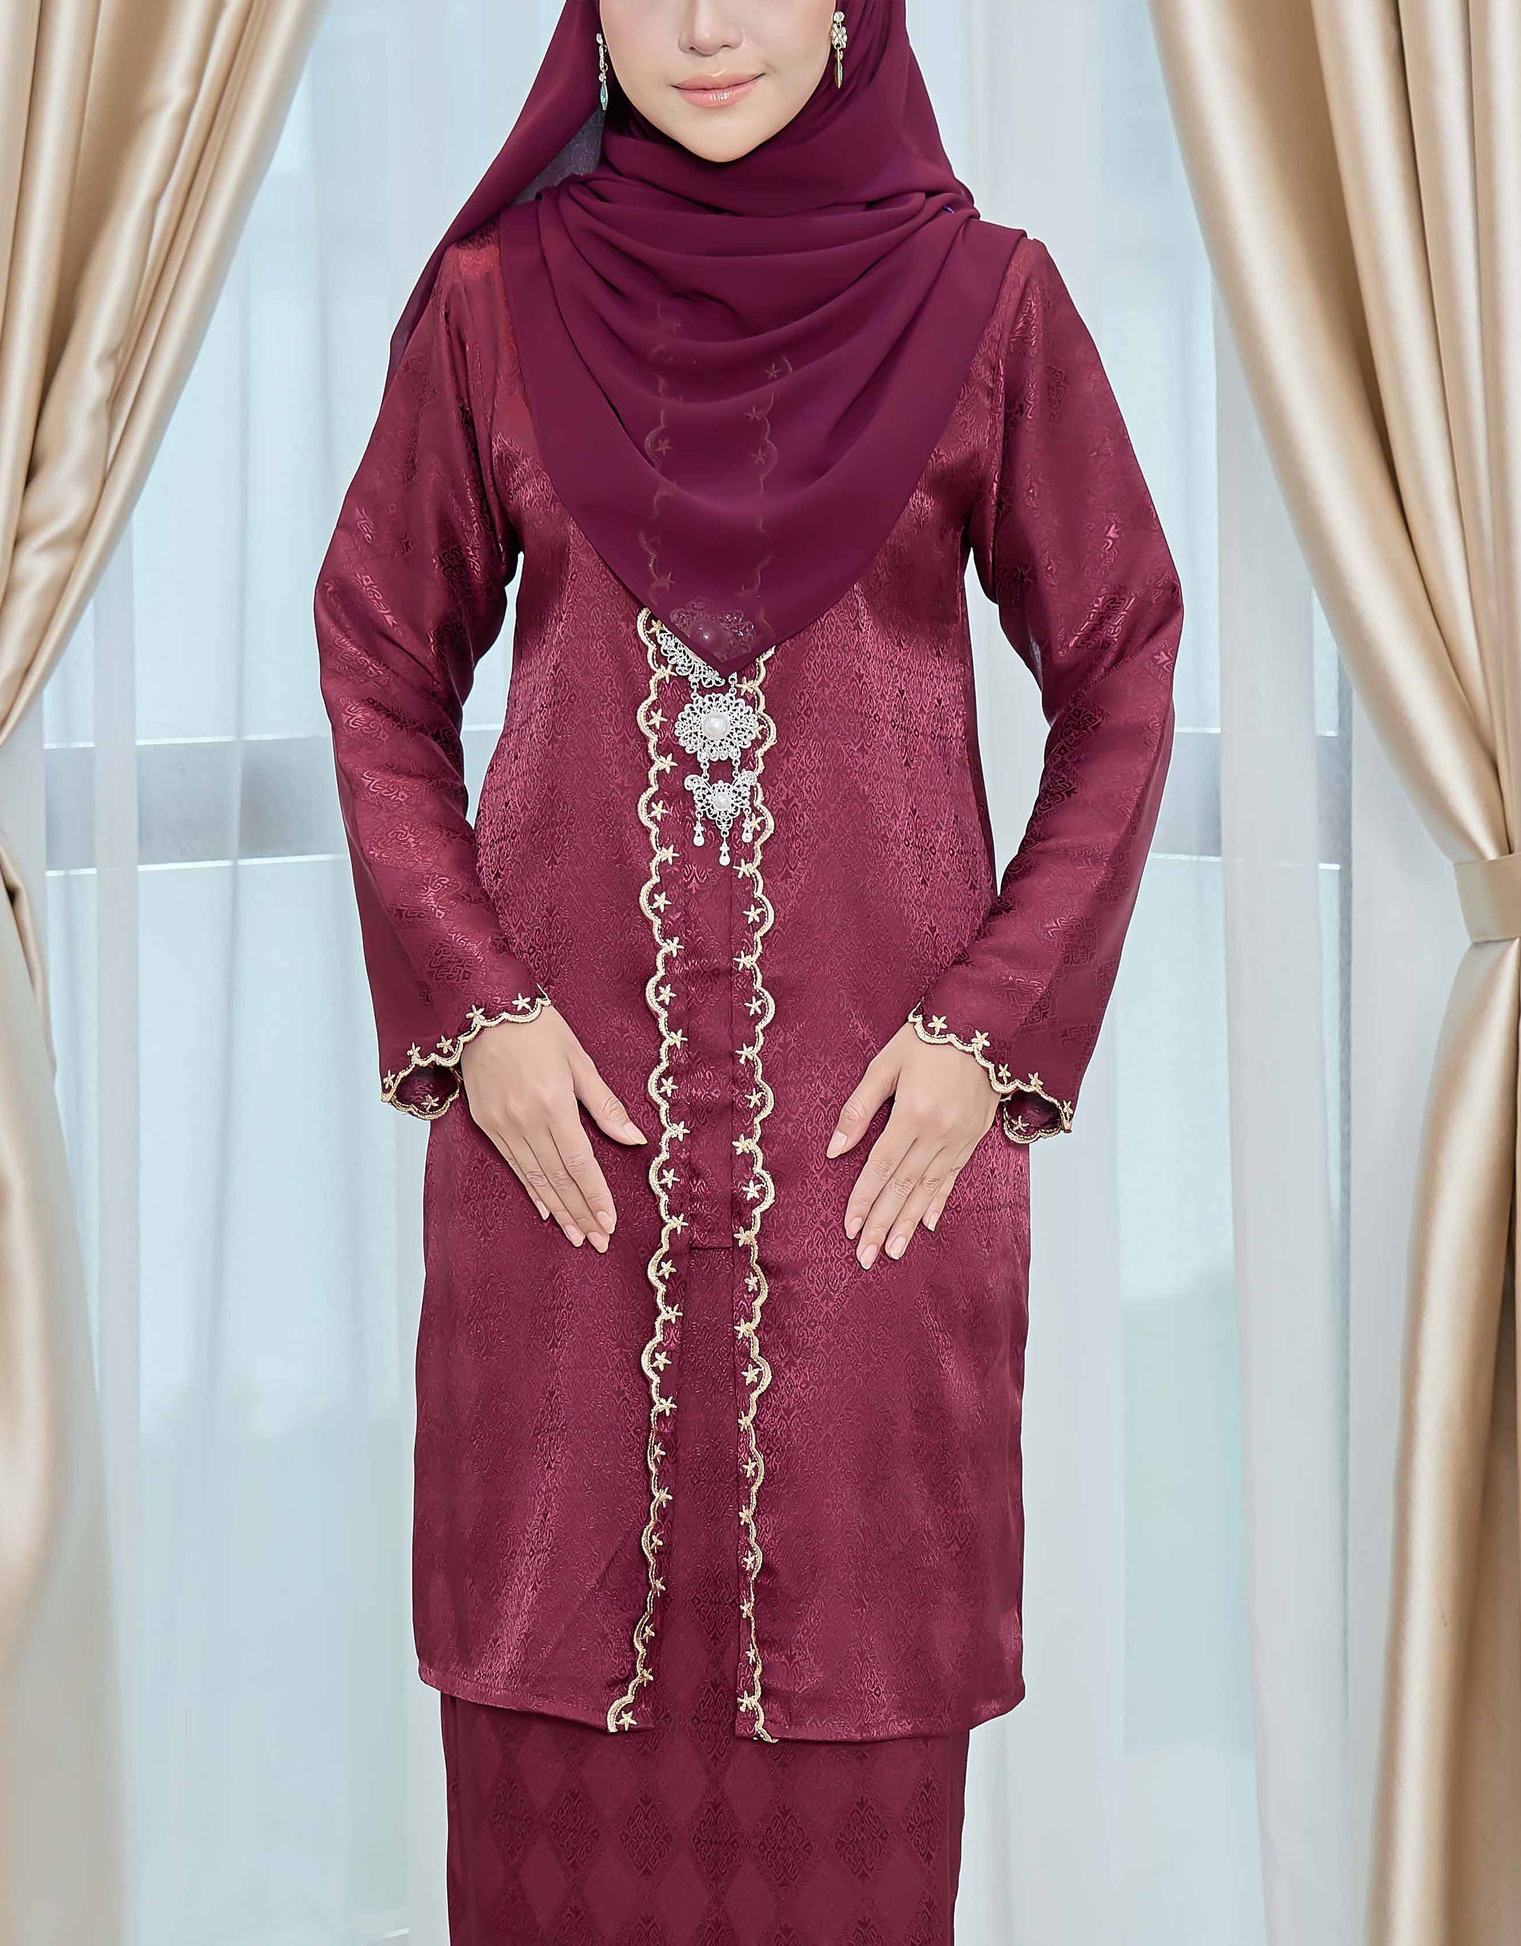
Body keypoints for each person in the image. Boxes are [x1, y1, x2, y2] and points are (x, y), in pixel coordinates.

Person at [311, 1, 1183, 1935]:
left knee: (853, 1779)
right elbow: (375, 651)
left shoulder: (986, 307)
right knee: (546, 1782)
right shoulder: (496, 308)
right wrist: (479, 1008)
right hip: (563, 1183)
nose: (706, 28)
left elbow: (1122, 662)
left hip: (869, 1200)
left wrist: (987, 1026)